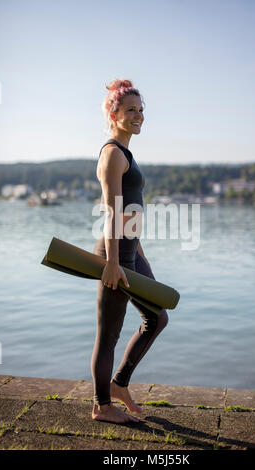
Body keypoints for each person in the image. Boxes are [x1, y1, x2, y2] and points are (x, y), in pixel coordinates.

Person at [90, 79, 169, 423]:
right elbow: (110, 211)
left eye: (141, 110)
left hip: (130, 251)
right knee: (108, 335)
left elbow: (129, 211)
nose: (138, 116)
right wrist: (111, 263)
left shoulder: (126, 153)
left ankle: (119, 383)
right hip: (115, 255)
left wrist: (138, 250)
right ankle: (102, 405)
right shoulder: (111, 154)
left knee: (157, 316)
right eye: (131, 110)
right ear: (114, 113)